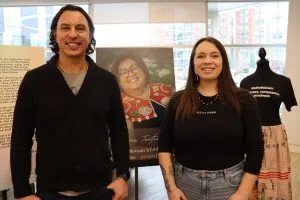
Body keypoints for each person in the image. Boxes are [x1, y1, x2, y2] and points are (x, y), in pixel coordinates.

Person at [10, 5, 130, 200]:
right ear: (55, 34)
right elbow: (20, 141)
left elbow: (119, 133)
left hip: (100, 190)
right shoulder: (34, 81)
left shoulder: (106, 81)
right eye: (65, 27)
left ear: (90, 35)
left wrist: (123, 175)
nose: (73, 34)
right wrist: (22, 192)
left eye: (80, 28)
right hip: (50, 192)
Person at [158, 37, 264, 200]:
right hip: (185, 185)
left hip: (230, 186)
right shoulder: (177, 101)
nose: (207, 61)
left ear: (223, 61)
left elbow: (255, 150)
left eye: (214, 55)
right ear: (193, 63)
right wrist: (171, 188)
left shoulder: (244, 100)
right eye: (201, 56)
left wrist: (243, 193)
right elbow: (164, 147)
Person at [240, 48, 297, 200]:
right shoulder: (245, 82)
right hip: (251, 132)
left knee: (275, 174)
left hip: (275, 135)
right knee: (251, 174)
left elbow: (289, 106)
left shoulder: (284, 82)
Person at [111, 53, 175, 129]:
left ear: (143, 70)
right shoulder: (118, 104)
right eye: (124, 72)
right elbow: (130, 139)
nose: (131, 74)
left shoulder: (162, 88)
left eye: (134, 68)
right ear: (118, 80)